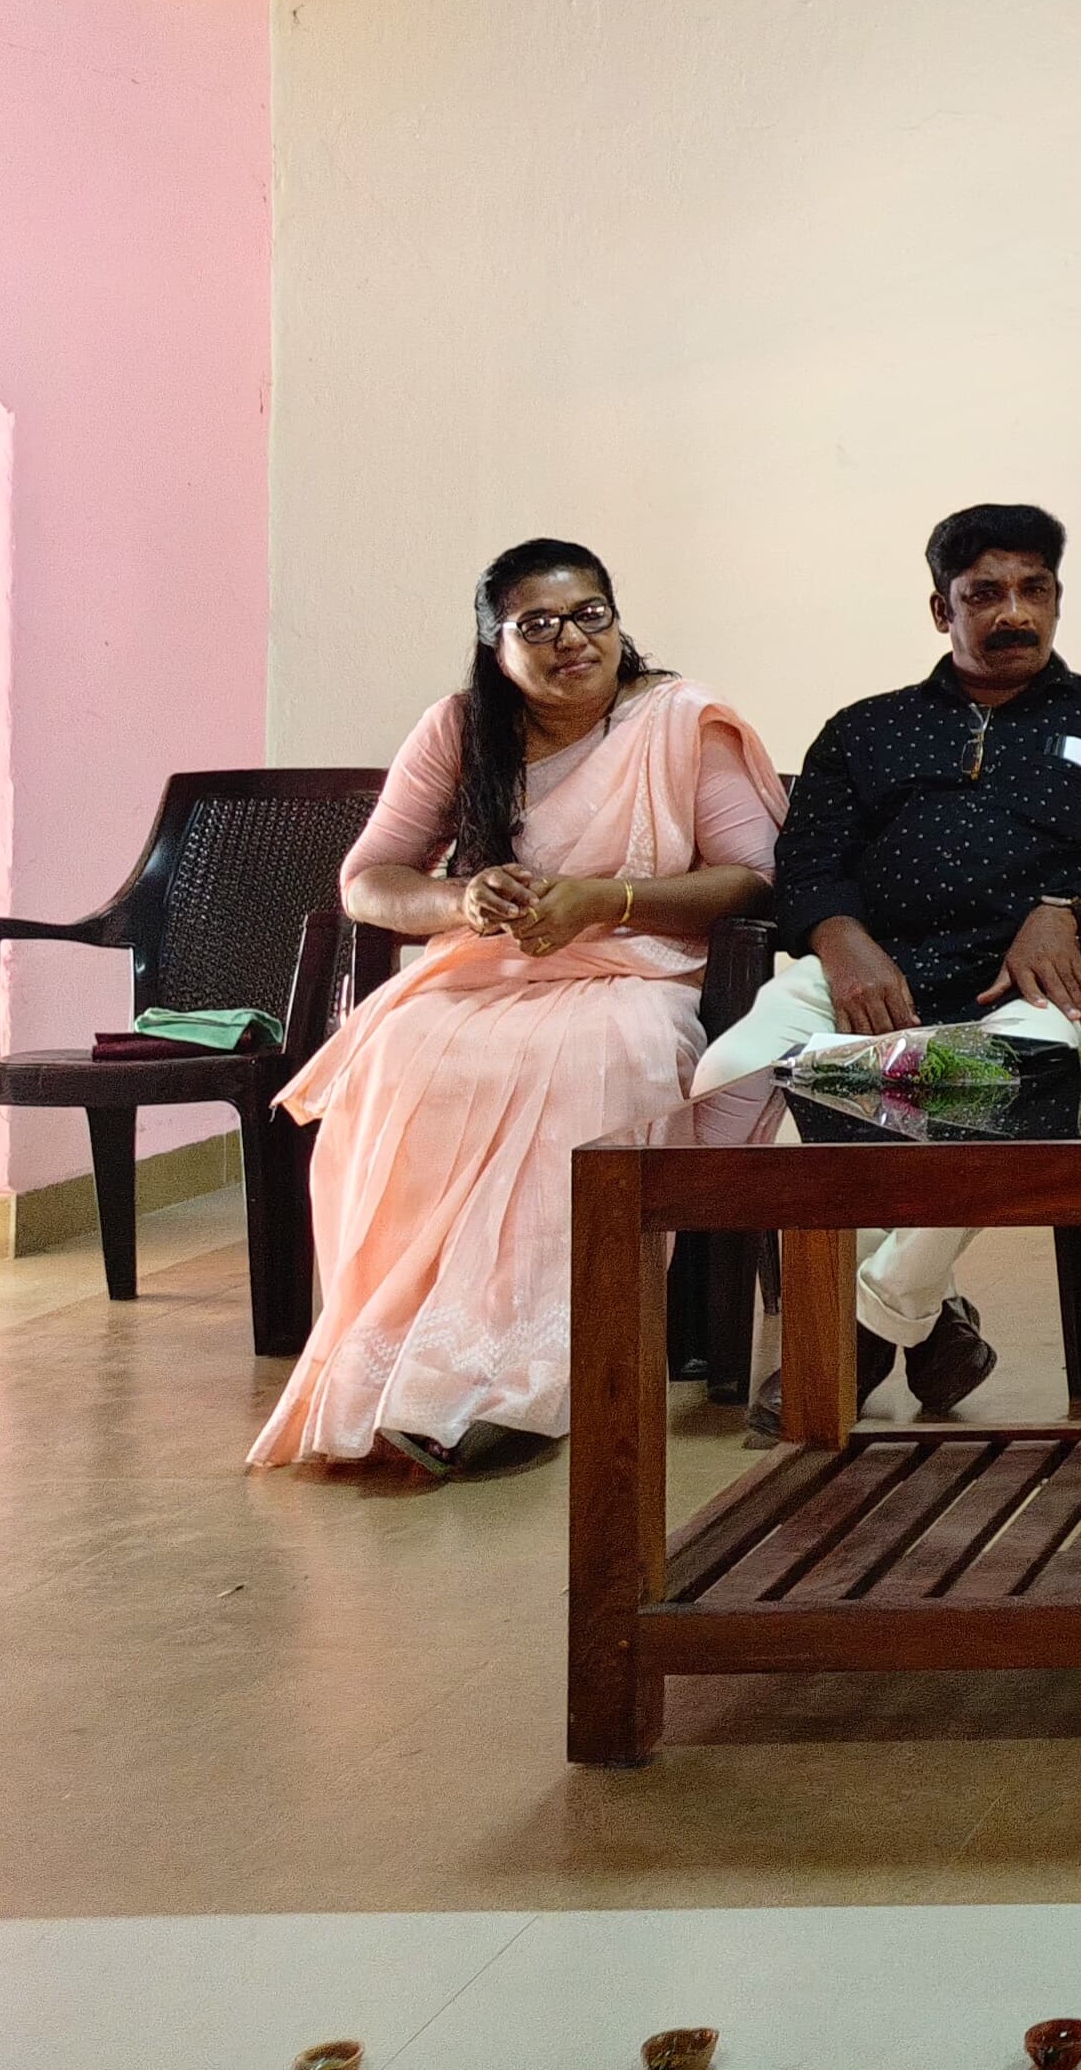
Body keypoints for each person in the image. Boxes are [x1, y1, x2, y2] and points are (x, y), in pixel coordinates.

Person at [251, 541, 784, 1476]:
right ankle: (404, 1364)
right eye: (537, 625)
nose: (570, 639)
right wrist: (461, 899)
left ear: (616, 622)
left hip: (642, 976)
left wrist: (606, 900)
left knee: (603, 1057)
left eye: (589, 615)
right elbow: (369, 882)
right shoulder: (460, 729)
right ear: (495, 646)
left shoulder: (679, 721)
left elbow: (750, 879)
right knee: (404, 1053)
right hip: (488, 973)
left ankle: (534, 1379)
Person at [692, 503, 1081, 1434]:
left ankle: (866, 1329)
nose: (1014, 613)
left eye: (1034, 590)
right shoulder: (865, 729)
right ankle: (934, 1316)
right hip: (866, 977)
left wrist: (1065, 908)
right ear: (941, 609)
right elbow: (806, 866)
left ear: (1058, 598)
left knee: (1028, 1088)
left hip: (1023, 989)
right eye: (984, 594)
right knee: (729, 1077)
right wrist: (840, 942)